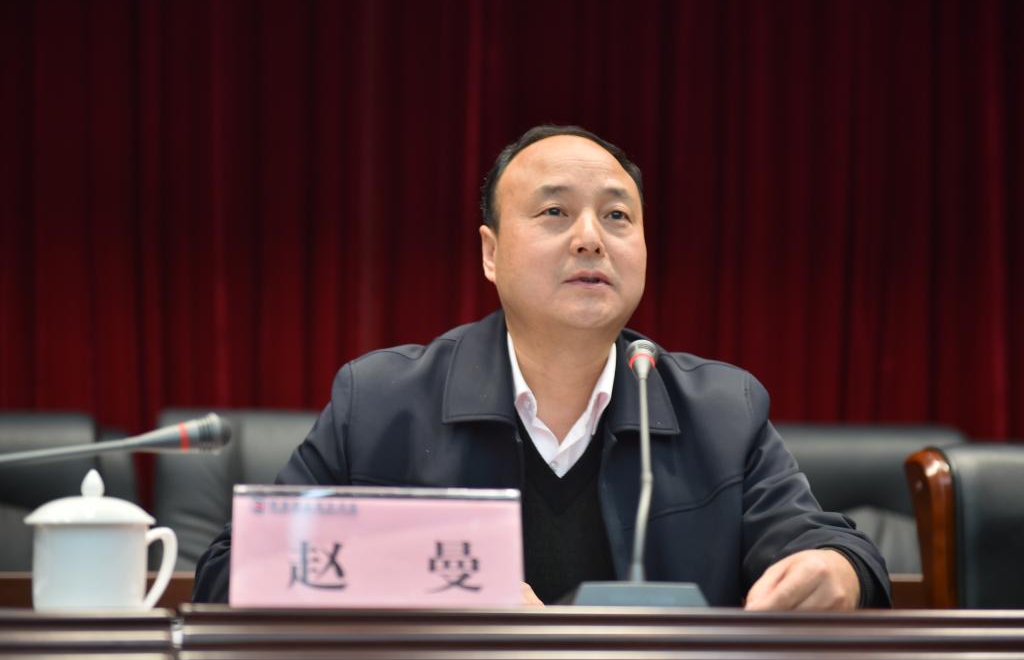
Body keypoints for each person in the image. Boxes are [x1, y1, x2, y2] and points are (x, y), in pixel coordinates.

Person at [193, 125, 890, 608]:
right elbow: (232, 572)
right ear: (491, 253)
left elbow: (833, 548)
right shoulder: (380, 403)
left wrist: (836, 571)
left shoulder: (722, 410)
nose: (590, 238)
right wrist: (440, 584)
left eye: (617, 217)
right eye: (555, 211)